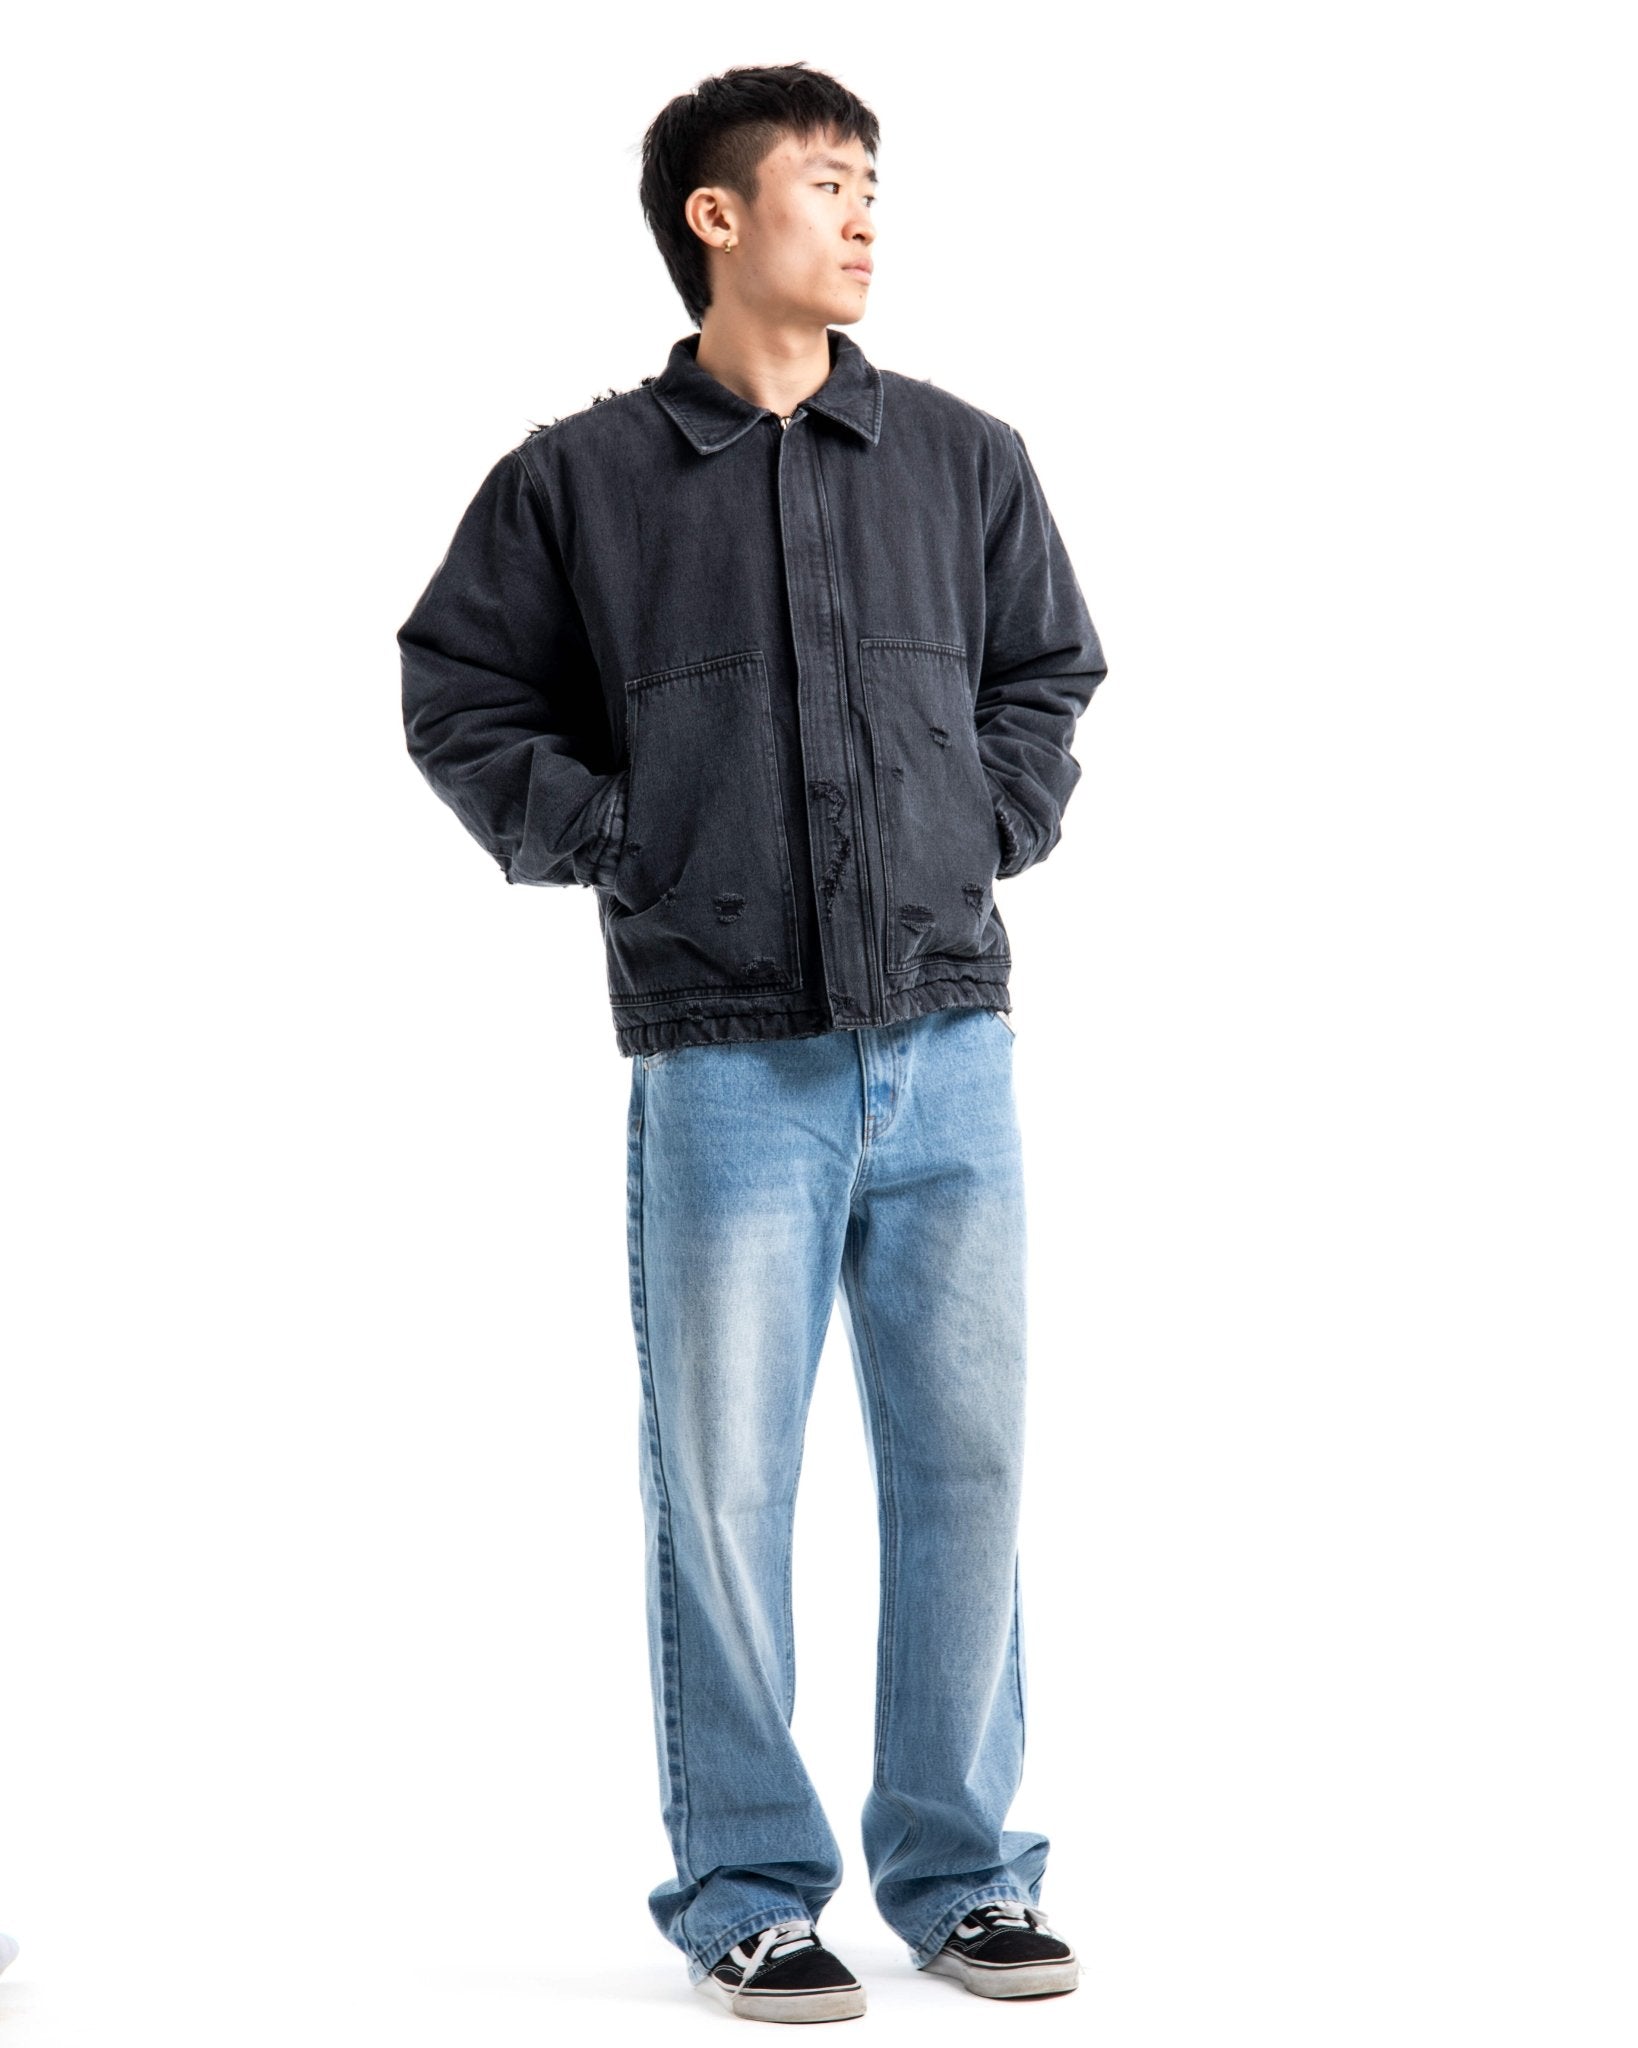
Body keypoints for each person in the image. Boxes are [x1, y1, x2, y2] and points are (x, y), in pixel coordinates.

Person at [398, 61, 1108, 2023]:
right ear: (717, 217)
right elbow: (457, 692)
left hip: (951, 1048)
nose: (866, 215)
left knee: (967, 1472)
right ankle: (747, 1890)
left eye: (876, 183)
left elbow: (1048, 672)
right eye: (828, 181)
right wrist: (631, 842)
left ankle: (963, 1876)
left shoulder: (963, 457)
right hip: (725, 1064)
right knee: (720, 1489)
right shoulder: (580, 481)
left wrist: (984, 821)